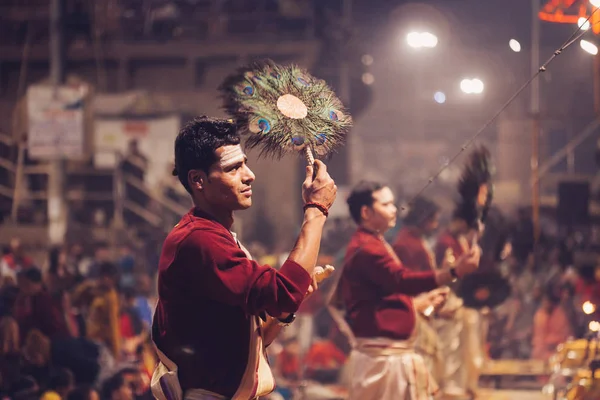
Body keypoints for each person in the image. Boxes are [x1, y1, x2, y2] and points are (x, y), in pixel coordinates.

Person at [151, 116, 337, 400]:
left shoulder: (215, 234)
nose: (249, 175)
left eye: (245, 163)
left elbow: (253, 341)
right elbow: (282, 293)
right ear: (198, 180)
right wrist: (316, 210)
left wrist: (284, 312)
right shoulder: (199, 240)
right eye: (233, 168)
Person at [332, 181, 481, 400]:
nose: (395, 209)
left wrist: (418, 303)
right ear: (366, 212)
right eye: (387, 204)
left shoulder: (376, 242)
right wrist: (453, 272)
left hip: (391, 355)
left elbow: (386, 293)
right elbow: (401, 280)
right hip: (383, 361)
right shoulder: (367, 248)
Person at [392, 196, 445, 383]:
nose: (436, 225)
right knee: (422, 359)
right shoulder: (406, 244)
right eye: (434, 220)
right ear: (423, 220)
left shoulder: (414, 239)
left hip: (423, 303)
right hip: (414, 308)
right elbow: (409, 281)